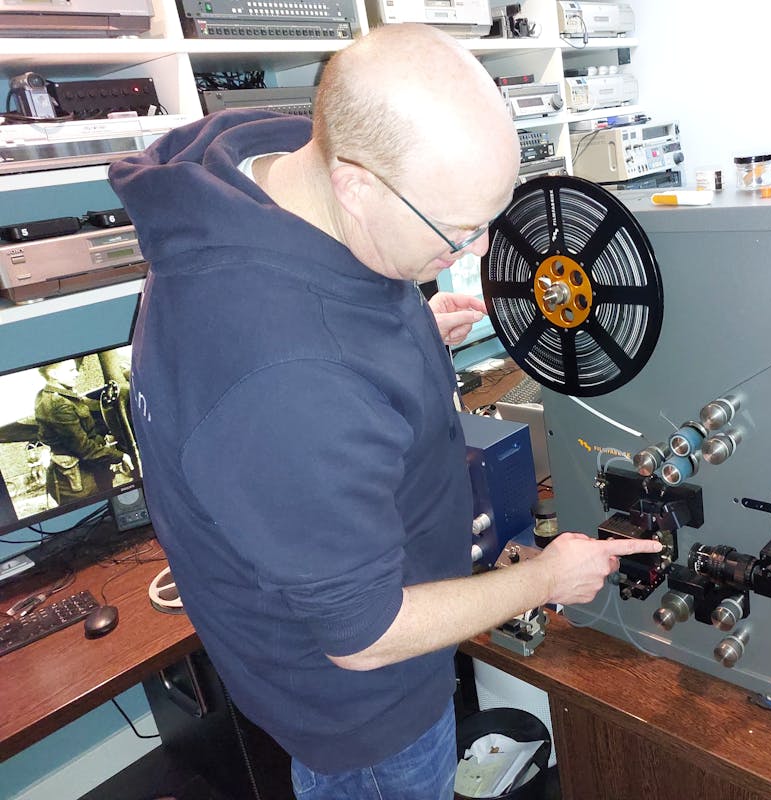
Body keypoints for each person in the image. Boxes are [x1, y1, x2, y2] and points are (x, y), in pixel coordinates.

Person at [109, 23, 660, 800]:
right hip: (367, 713)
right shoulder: (288, 377)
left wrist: (405, 339)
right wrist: (546, 577)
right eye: (455, 230)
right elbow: (364, 637)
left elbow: (321, 358)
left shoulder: (261, 181)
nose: (474, 251)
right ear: (357, 186)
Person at [34, 359, 132, 505]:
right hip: (80, 481)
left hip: (87, 471)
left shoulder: (53, 396)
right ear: (53, 374)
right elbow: (84, 449)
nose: (77, 374)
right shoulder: (58, 404)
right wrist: (120, 456)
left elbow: (85, 429)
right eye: (71, 370)